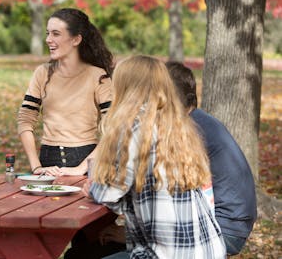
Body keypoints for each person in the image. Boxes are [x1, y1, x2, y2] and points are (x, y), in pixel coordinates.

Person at [86, 55, 226, 258]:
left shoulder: (133, 128)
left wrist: (92, 187)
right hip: (209, 250)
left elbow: (107, 193)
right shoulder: (176, 126)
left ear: (126, 88)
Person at [166, 61, 257, 256]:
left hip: (225, 230)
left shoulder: (190, 131)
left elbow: (175, 194)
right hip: (234, 223)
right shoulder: (200, 120)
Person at [17, 8, 114, 177]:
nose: (48, 40)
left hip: (87, 159)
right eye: (48, 33)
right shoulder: (42, 73)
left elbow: (114, 128)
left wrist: (81, 168)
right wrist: (36, 167)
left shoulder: (99, 77)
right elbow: (25, 120)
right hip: (47, 158)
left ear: (76, 39)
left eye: (56, 34)